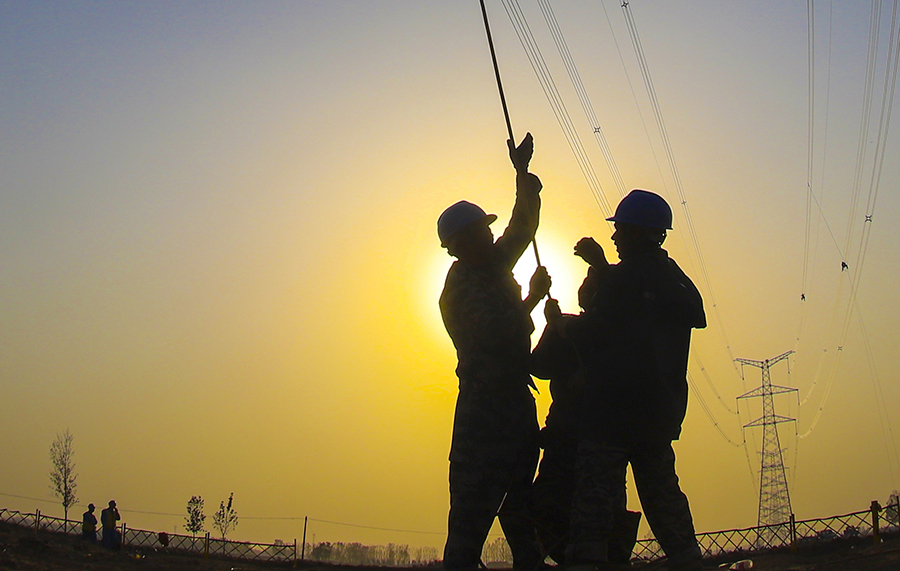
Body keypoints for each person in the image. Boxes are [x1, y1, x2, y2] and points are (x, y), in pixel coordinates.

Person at [547, 190, 707, 571]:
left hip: (610, 416)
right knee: (663, 499)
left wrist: (559, 325)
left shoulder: (627, 279)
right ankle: (690, 564)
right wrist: (603, 268)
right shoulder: (674, 279)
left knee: (594, 506)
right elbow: (641, 313)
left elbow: (598, 329)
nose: (615, 237)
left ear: (636, 231)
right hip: (656, 415)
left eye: (619, 229)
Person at [438, 133, 550, 571]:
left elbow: (522, 228)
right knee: (469, 520)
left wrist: (522, 176)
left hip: (514, 409)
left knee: (521, 510)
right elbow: (496, 335)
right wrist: (532, 301)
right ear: (464, 241)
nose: (491, 232)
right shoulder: (461, 286)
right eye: (483, 228)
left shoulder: (493, 264)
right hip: (483, 416)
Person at [530, 243, 640, 565]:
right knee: (554, 509)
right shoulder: (573, 327)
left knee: (598, 515)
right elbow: (539, 366)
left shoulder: (611, 330)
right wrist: (555, 328)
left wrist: (557, 328)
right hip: (569, 436)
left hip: (593, 439)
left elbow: (540, 366)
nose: (586, 284)